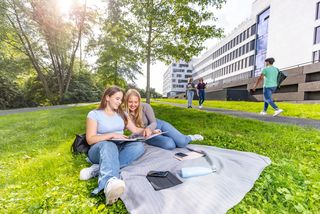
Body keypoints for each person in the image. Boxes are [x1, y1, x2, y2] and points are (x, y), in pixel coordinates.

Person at [84, 86, 145, 205]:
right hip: (99, 149)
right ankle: (109, 184)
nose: (120, 102)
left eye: (121, 99)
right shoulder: (94, 114)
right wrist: (111, 135)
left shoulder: (122, 114)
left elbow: (135, 129)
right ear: (107, 97)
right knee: (109, 145)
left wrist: (148, 131)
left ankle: (100, 168)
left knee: (139, 146)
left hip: (119, 147)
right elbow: (90, 139)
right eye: (117, 99)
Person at [124, 89, 204, 150]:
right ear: (126, 101)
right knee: (170, 145)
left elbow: (153, 122)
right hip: (147, 135)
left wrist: (148, 128)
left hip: (158, 125)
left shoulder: (145, 107)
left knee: (181, 142)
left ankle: (189, 137)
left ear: (139, 101)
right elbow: (130, 129)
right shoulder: (124, 114)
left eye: (136, 102)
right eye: (130, 102)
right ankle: (170, 137)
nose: (133, 105)